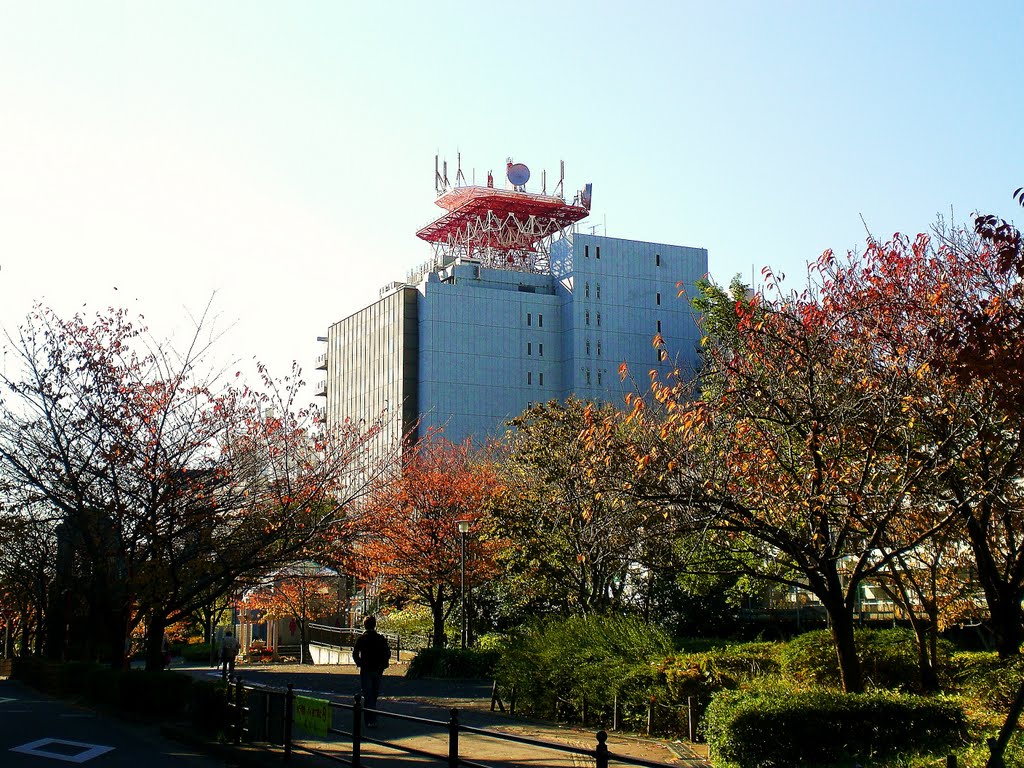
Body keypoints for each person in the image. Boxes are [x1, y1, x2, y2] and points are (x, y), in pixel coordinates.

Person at [352, 616, 391, 726]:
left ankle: (369, 719)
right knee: (374, 694)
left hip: (366, 669)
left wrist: (360, 663)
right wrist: (383, 664)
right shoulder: (380, 638)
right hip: (378, 669)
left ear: (365, 625)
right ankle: (372, 717)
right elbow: (387, 653)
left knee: (367, 694)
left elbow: (355, 653)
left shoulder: (362, 639)